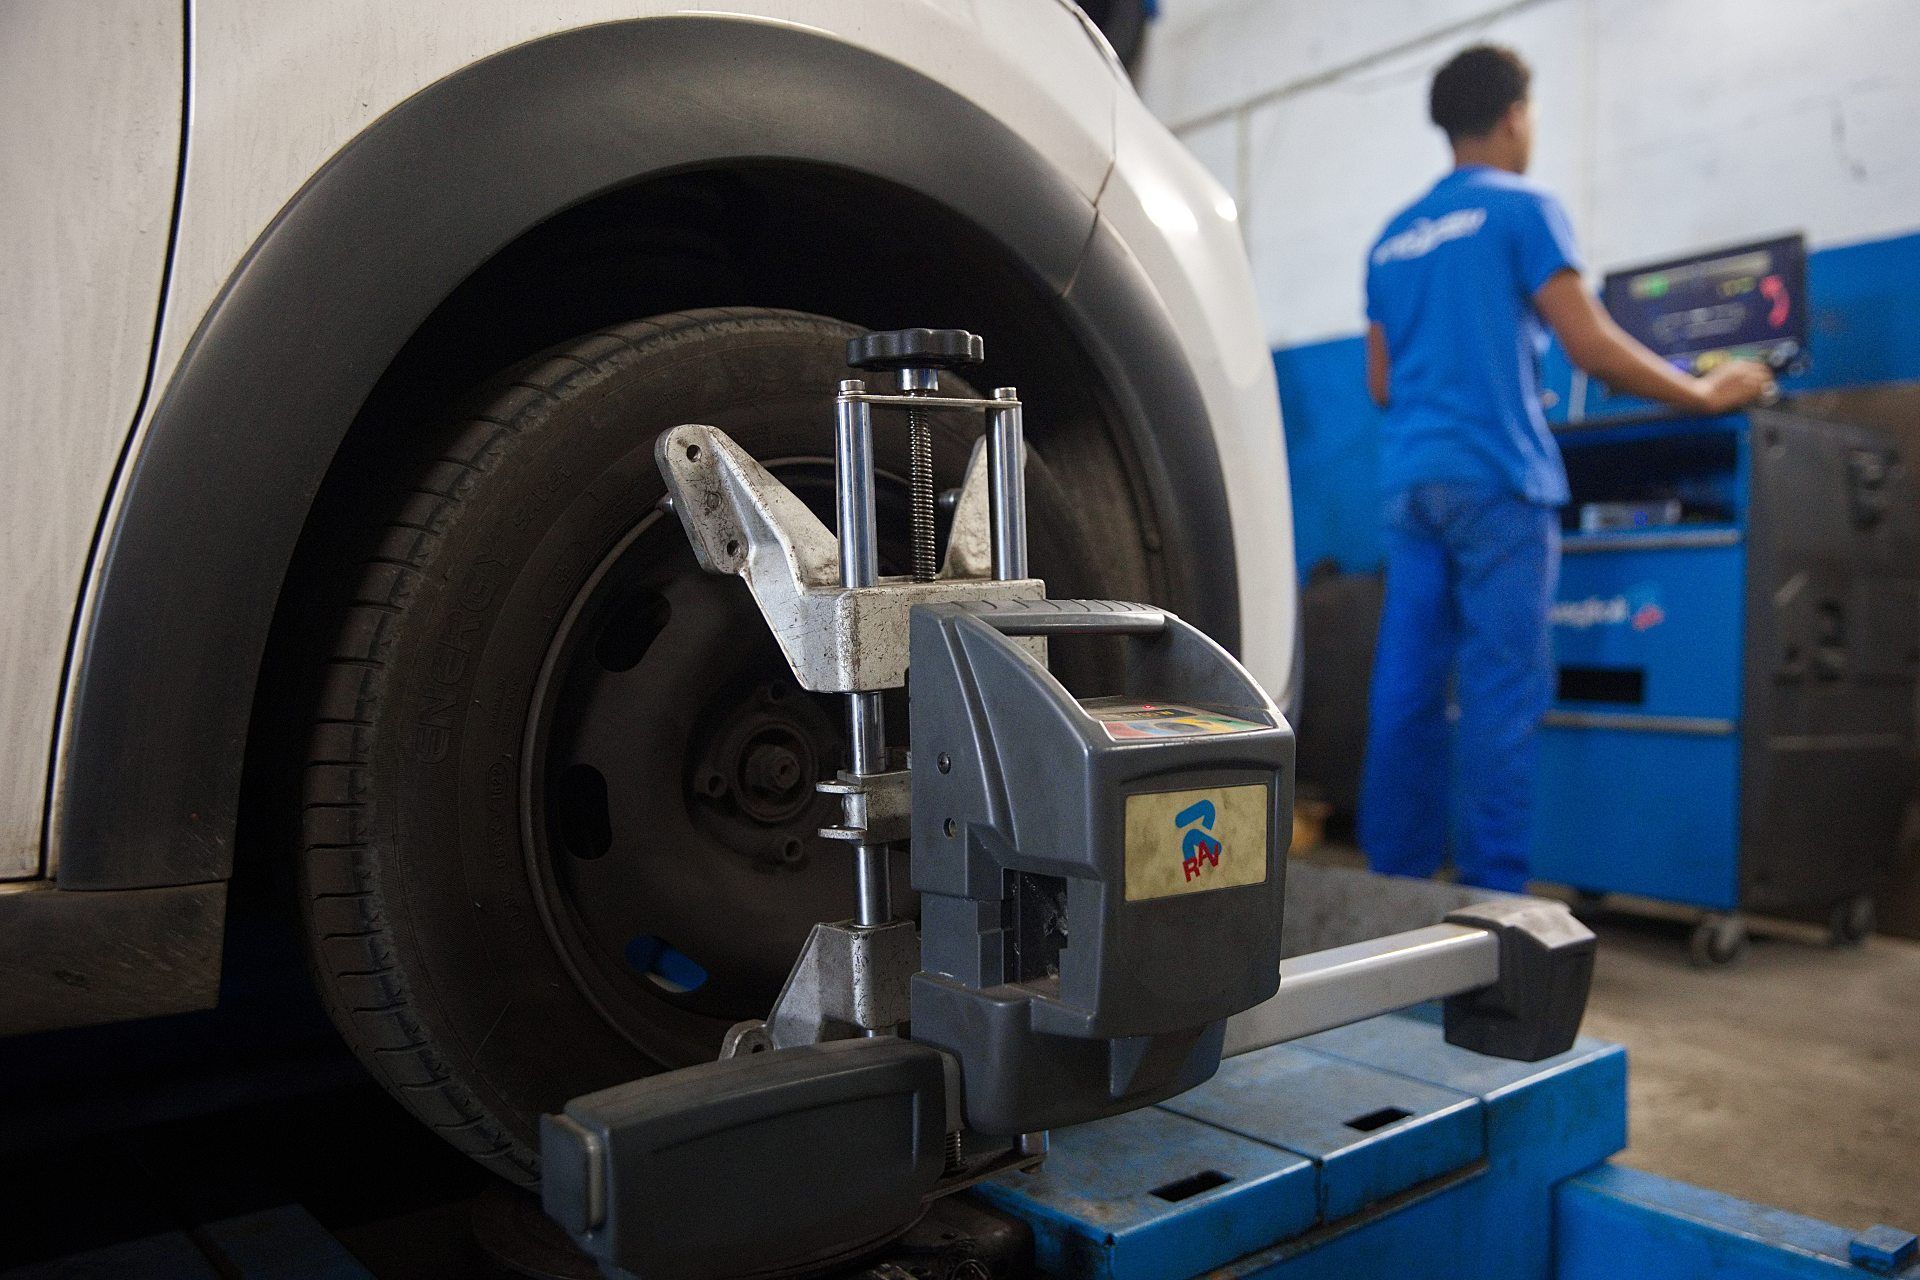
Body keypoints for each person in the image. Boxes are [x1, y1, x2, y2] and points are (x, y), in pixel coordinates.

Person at [1357, 44, 1774, 892]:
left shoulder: (1392, 238)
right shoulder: (1524, 210)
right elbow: (1587, 341)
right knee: (1500, 698)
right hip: (1498, 484)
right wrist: (1704, 393)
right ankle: (1493, 909)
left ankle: (1388, 898)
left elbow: (1382, 382)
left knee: (1405, 693)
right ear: (1514, 115)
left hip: (1412, 483)